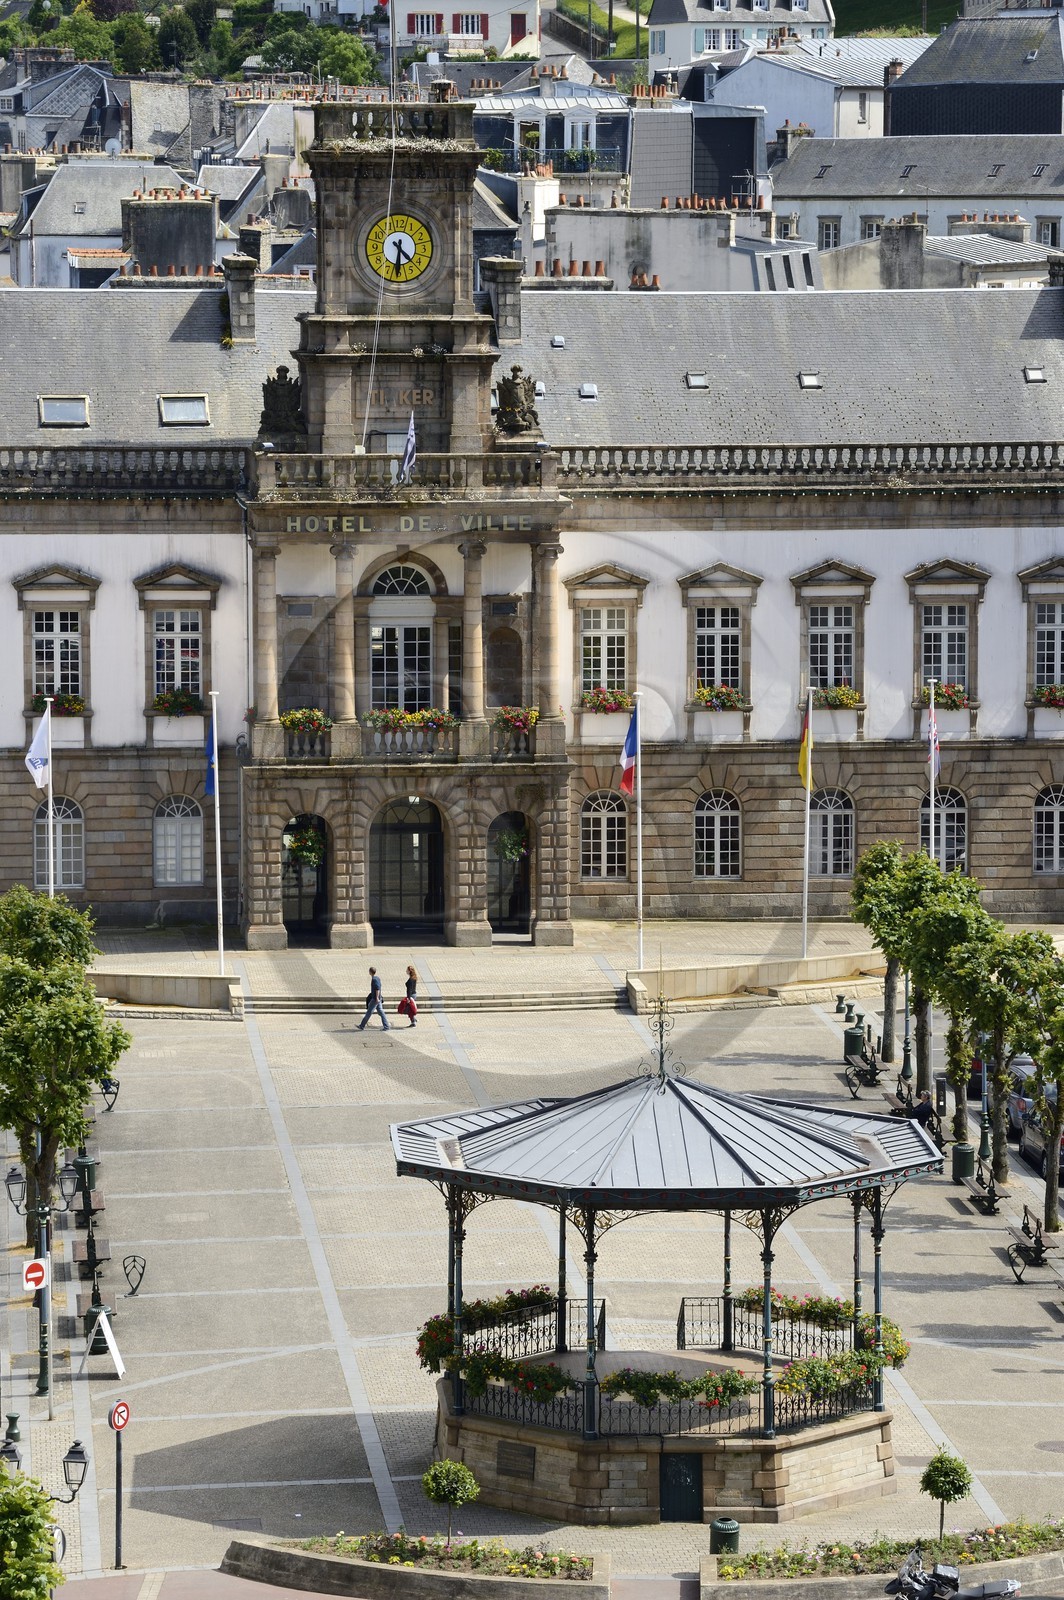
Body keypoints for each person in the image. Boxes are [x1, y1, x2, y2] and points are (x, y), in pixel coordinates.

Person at [358, 966, 389, 1031]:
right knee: (381, 1012)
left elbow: (377, 989)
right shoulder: (377, 978)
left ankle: (362, 1026)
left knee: (369, 1012)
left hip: (375, 999)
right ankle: (386, 1026)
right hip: (378, 998)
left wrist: (377, 998)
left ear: (370, 972)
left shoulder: (374, 979)